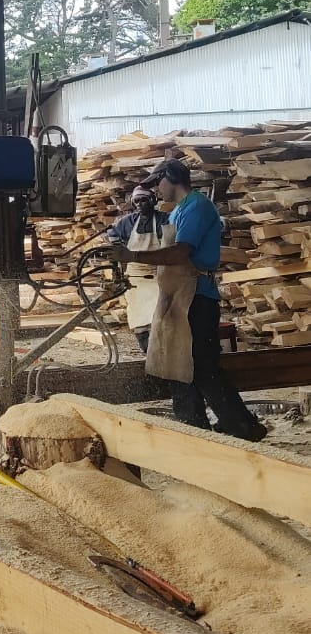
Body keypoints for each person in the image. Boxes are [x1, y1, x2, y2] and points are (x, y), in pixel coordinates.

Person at [137, 158, 265, 441]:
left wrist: (134, 257)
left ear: (171, 178)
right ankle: (192, 429)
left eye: (157, 182)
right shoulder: (177, 211)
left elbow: (181, 252)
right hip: (180, 297)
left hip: (198, 298)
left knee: (203, 367)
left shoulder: (196, 206)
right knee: (178, 365)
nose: (156, 190)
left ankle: (244, 428)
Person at [107, 184, 169, 354]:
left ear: (152, 200)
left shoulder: (164, 219)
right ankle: (147, 350)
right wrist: (116, 245)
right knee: (139, 316)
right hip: (135, 276)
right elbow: (112, 234)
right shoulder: (128, 222)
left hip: (158, 274)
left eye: (144, 200)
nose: (140, 204)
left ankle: (160, 351)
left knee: (159, 313)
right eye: (137, 201)